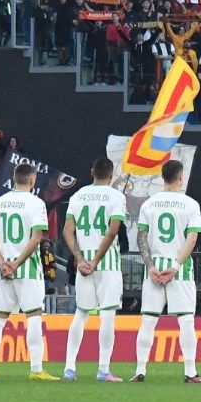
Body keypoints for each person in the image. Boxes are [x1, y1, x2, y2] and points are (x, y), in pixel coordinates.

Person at [132, 158, 201, 383]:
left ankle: (140, 370)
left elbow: (141, 238)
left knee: (148, 320)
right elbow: (192, 238)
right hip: (179, 269)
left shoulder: (149, 204)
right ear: (180, 177)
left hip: (154, 268)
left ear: (162, 177)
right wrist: (175, 267)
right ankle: (190, 372)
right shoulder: (191, 204)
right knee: (185, 320)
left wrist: (152, 267)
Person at [0, 162, 58, 381]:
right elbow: (36, 238)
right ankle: (35, 369)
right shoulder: (36, 203)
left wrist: (2, 263)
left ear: (15, 179)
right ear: (32, 179)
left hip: (4, 270)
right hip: (28, 270)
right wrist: (16, 263)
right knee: (33, 316)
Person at [60, 157, 127, 382]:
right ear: (112, 174)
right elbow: (112, 232)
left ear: (92, 171)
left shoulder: (77, 195)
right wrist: (97, 260)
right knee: (107, 315)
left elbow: (67, 232)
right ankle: (103, 369)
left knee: (81, 314)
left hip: (83, 267)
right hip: (106, 264)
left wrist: (80, 259)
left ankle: (69, 368)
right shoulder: (117, 196)